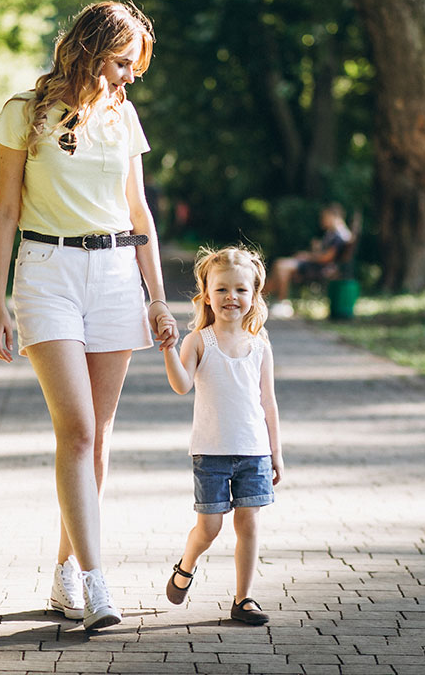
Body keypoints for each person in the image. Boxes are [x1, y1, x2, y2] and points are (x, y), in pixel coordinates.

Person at [0, 1, 180, 631]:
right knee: (75, 429)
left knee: (97, 438)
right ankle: (98, 584)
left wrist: (157, 296)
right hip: (47, 274)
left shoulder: (125, 118)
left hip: (118, 275)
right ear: (93, 51)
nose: (129, 77)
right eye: (123, 63)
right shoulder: (26, 114)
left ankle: (68, 570)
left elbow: (140, 212)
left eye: (134, 68)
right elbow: (6, 212)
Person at [161, 246, 283, 626]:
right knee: (209, 528)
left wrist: (276, 453)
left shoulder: (259, 344)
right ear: (207, 294)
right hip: (211, 453)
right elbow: (182, 385)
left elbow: (269, 402)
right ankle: (186, 565)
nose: (232, 297)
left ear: (254, 295)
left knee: (249, 523)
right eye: (222, 290)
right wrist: (168, 349)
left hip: (254, 452)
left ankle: (244, 599)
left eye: (241, 290)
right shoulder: (198, 340)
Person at [264, 203, 353, 317]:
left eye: (324, 217)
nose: (322, 220)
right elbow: (326, 254)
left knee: (282, 266)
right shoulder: (334, 233)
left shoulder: (339, 235)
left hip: (321, 268)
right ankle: (262, 298)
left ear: (333, 216)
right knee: (279, 264)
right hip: (317, 265)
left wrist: (307, 256)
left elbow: (326, 258)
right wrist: (315, 249)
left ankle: (281, 303)